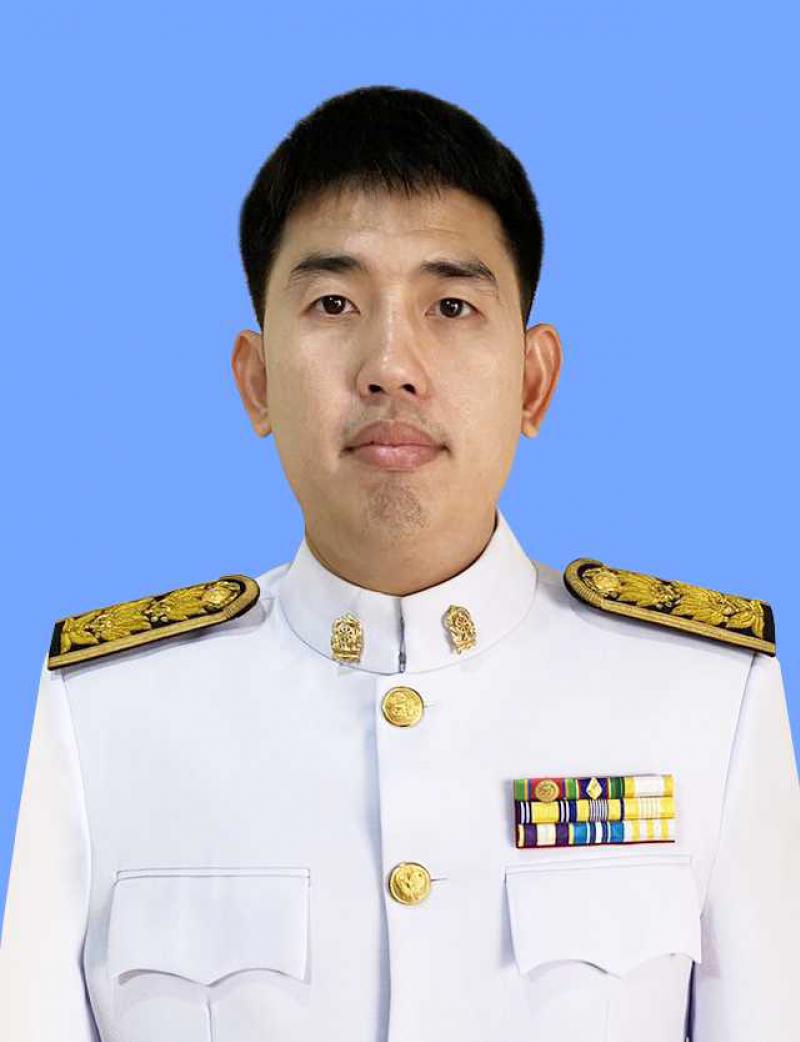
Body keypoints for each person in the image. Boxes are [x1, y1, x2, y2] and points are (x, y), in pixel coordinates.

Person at [1, 84, 797, 1042]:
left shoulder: (705, 694)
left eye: (451, 305)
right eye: (334, 303)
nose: (391, 365)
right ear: (257, 381)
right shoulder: (103, 711)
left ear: (534, 380)